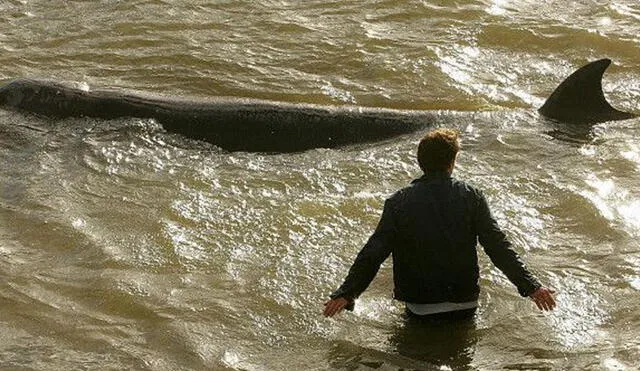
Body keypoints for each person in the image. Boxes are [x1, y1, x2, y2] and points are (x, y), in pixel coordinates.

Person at [323, 128, 556, 319]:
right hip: (465, 302)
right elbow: (498, 247)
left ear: (420, 161)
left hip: (421, 306)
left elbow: (373, 253)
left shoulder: (398, 202)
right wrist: (532, 287)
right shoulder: (472, 197)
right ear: (452, 161)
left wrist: (346, 293)